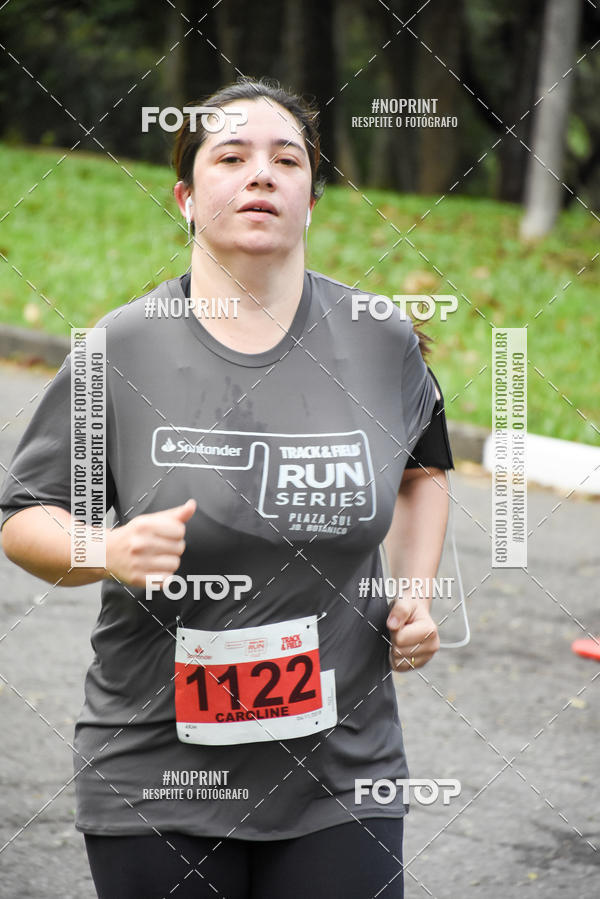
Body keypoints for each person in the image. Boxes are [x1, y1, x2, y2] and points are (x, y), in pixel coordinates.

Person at [0, 77, 454, 899]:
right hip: (157, 775)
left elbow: (425, 469)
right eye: (233, 156)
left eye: (287, 159)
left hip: (343, 772)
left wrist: (415, 594)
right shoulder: (120, 349)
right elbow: (27, 516)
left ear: (311, 199)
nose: (262, 175)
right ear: (185, 195)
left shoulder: (380, 338)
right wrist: (104, 549)